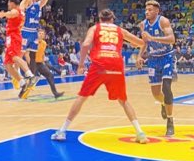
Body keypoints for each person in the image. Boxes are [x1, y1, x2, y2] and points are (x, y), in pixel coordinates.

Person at [51, 10, 147, 143]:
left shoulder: (95, 28)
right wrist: (137, 41)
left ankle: (62, 131)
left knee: (81, 97)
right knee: (123, 101)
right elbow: (142, 43)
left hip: (99, 65)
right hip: (116, 65)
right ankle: (140, 133)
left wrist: (81, 65)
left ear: (100, 19)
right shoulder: (120, 30)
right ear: (113, 19)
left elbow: (85, 44)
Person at [137, 0, 177, 136]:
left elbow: (172, 39)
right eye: (146, 10)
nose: (147, 12)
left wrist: (153, 38)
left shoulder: (163, 21)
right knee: (156, 93)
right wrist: (139, 56)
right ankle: (163, 104)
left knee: (166, 88)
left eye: (150, 10)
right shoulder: (143, 25)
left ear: (156, 11)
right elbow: (145, 42)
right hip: (153, 59)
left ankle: (170, 121)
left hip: (167, 57)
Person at [0, 0, 37, 95]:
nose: (8, 5)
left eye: (9, 3)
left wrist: (3, 14)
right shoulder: (21, 7)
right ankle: (22, 83)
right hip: (12, 38)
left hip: (14, 37)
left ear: (12, 3)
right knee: (7, 64)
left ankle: (30, 75)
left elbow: (12, 13)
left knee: (15, 57)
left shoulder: (15, 11)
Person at [21, 0, 51, 97]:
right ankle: (19, 77)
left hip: (33, 32)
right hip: (26, 31)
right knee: (20, 55)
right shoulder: (28, 4)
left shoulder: (39, 5)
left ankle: (30, 80)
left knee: (33, 58)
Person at [33, 29, 64, 99]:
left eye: (42, 34)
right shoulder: (33, 42)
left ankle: (55, 93)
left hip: (40, 63)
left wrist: (43, 61)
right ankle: (22, 93)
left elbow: (42, 53)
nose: (41, 35)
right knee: (31, 80)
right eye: (40, 33)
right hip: (33, 63)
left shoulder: (44, 43)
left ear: (44, 35)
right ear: (37, 34)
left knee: (50, 75)